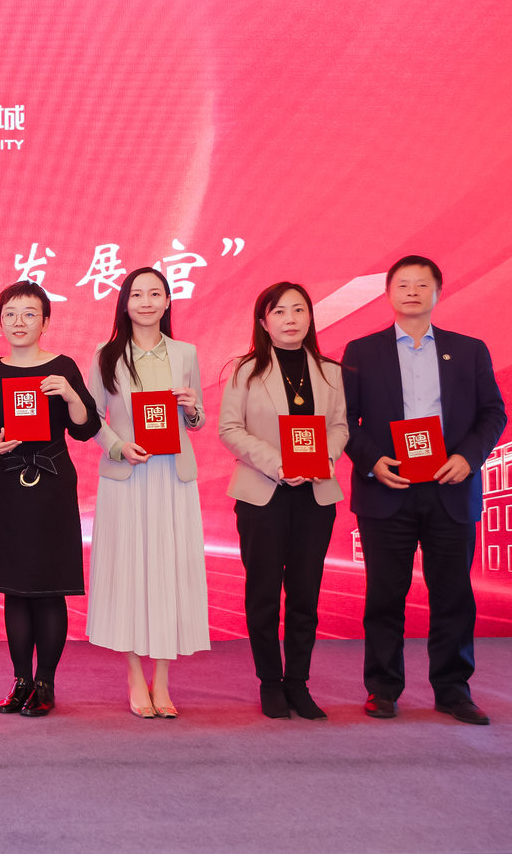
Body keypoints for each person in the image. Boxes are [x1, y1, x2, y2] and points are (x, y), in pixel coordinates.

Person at [342, 255, 505, 725]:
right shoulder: (362, 351)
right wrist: (372, 461)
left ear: (438, 292)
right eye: (403, 284)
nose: (412, 291)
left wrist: (468, 458)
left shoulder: (468, 350)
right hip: (387, 486)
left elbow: (493, 413)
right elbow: (345, 419)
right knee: (384, 594)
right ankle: (382, 688)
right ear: (388, 294)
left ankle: (453, 690)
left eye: (422, 284)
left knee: (453, 594)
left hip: (449, 486)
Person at [218, 281, 347, 721]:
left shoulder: (330, 372)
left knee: (305, 595)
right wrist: (279, 464)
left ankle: (298, 683)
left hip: (315, 496)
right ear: (263, 321)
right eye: (279, 311)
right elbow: (230, 429)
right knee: (264, 593)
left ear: (310, 316)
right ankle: (270, 683)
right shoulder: (245, 370)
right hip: (263, 494)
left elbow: (341, 426)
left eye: (298, 310)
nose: (290, 319)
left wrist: (324, 457)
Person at [0, 281, 99, 718]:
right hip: (3, 484)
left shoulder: (62, 367)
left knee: (47, 587)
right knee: (14, 588)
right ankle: (21, 680)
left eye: (29, 314)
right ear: (0, 322)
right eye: (10, 313)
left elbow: (85, 428)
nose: (19, 321)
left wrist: (71, 393)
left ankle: (45, 683)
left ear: (45, 322)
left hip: (50, 484)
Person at [85, 267, 208, 719]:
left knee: (168, 574)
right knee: (130, 573)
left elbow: (197, 420)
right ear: (125, 303)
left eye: (155, 294)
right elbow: (90, 417)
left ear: (168, 301)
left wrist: (192, 409)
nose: (146, 302)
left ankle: (164, 681)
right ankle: (136, 677)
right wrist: (119, 446)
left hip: (173, 478)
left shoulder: (185, 352)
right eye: (137, 294)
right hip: (127, 477)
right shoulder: (106, 355)